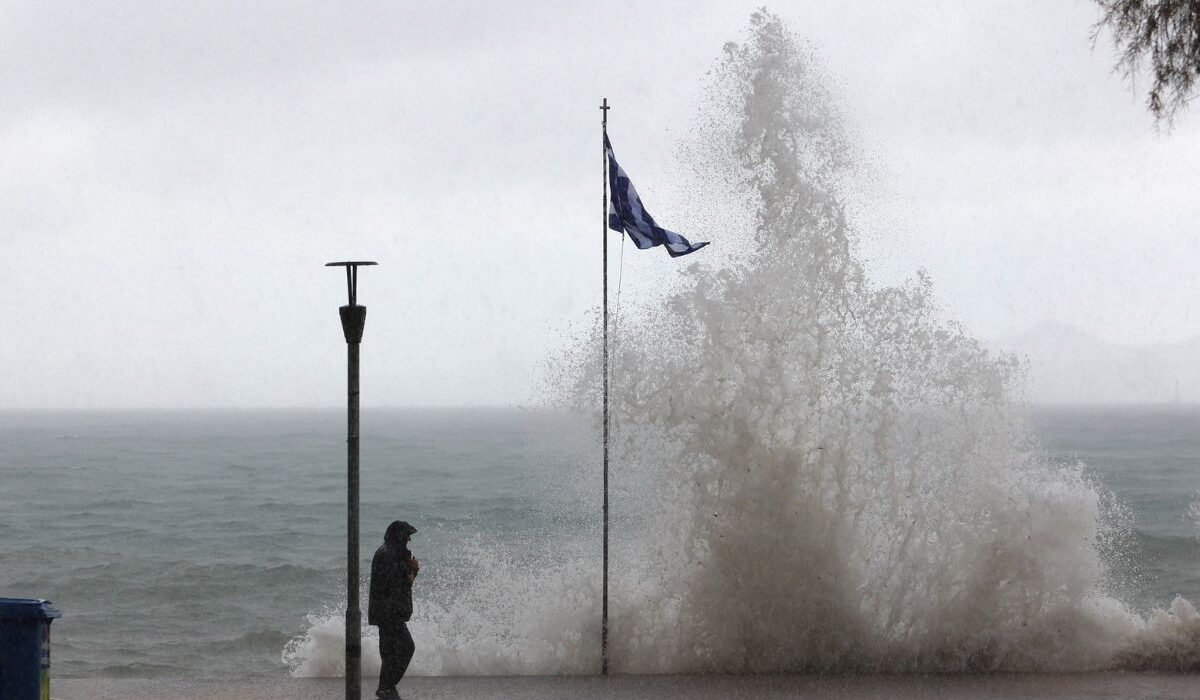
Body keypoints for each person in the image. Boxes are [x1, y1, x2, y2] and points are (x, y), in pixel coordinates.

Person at [368, 520, 419, 700]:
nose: (409, 540)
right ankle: (386, 686)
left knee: (389, 652)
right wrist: (411, 575)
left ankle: (386, 688)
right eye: (407, 536)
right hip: (389, 612)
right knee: (406, 647)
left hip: (386, 611)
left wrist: (410, 571)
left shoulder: (389, 553)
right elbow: (394, 584)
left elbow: (395, 581)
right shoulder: (388, 555)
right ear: (399, 536)